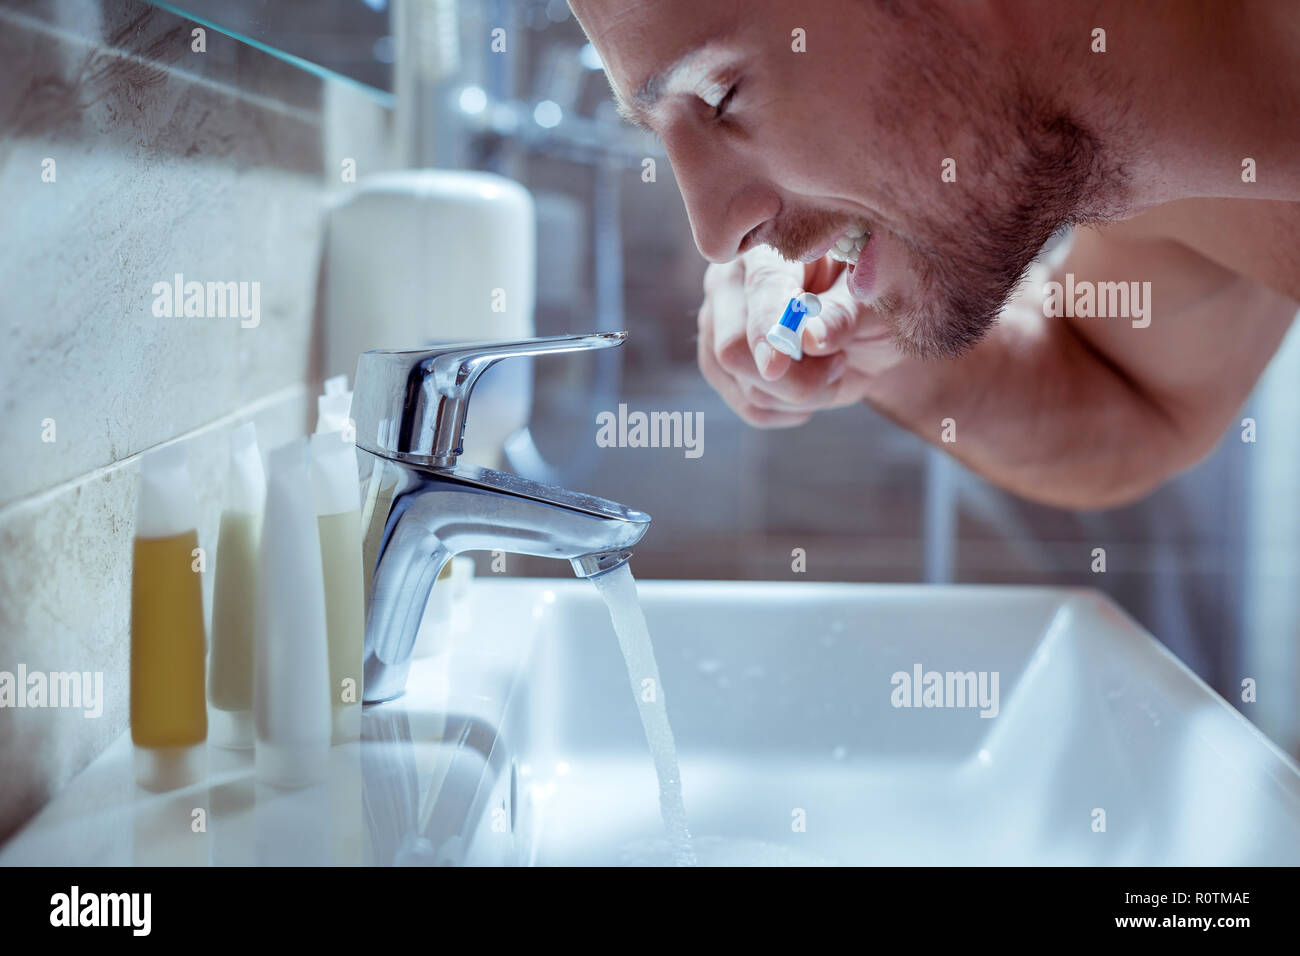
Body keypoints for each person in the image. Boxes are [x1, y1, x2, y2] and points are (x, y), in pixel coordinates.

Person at [570, 0, 1300, 508]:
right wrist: (880, 353)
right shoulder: (1145, 169)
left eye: (722, 92)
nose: (716, 234)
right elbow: (1141, 405)